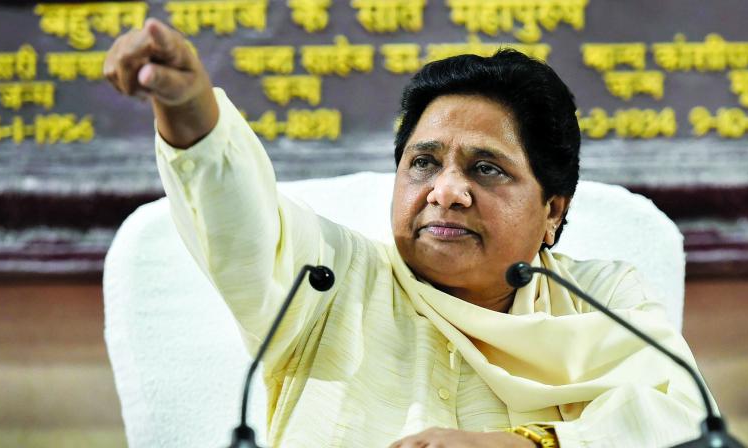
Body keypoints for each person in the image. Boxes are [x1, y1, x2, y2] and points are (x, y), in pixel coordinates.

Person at [105, 19, 706, 447]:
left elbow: (681, 414)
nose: (446, 190)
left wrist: (530, 446)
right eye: (423, 162)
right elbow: (242, 223)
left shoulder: (598, 299)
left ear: (552, 210)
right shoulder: (329, 280)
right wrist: (189, 111)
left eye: (486, 168)